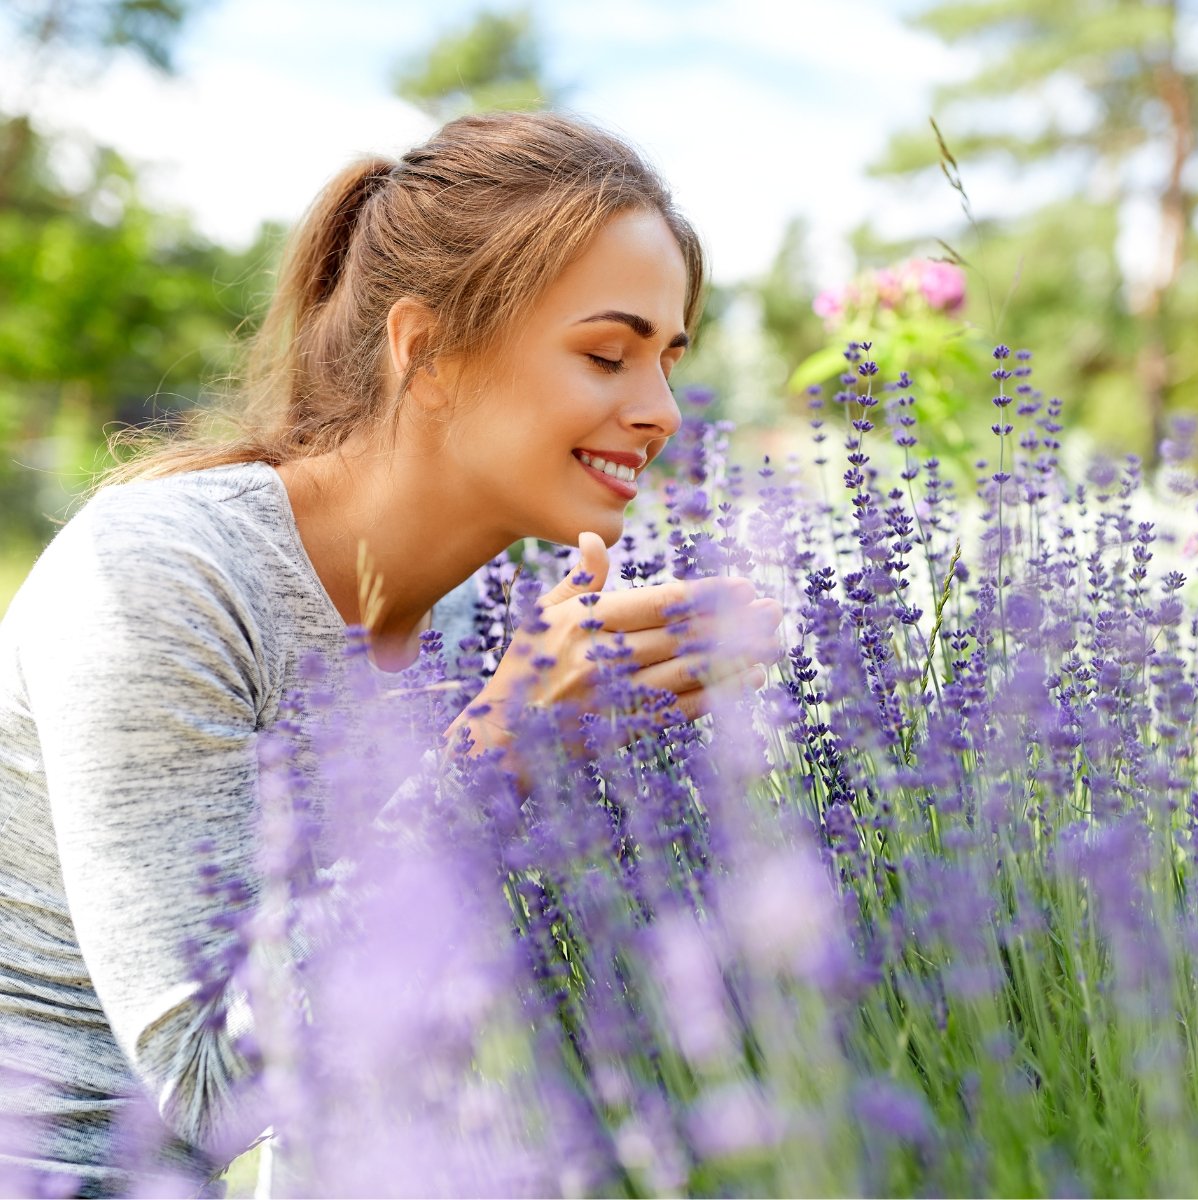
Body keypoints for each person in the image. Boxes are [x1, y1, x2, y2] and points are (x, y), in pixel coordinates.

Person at [0, 109, 784, 1195]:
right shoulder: (159, 579)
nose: (658, 413)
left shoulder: (489, 622)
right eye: (609, 353)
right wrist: (498, 751)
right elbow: (216, 1085)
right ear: (426, 352)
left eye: (669, 359)